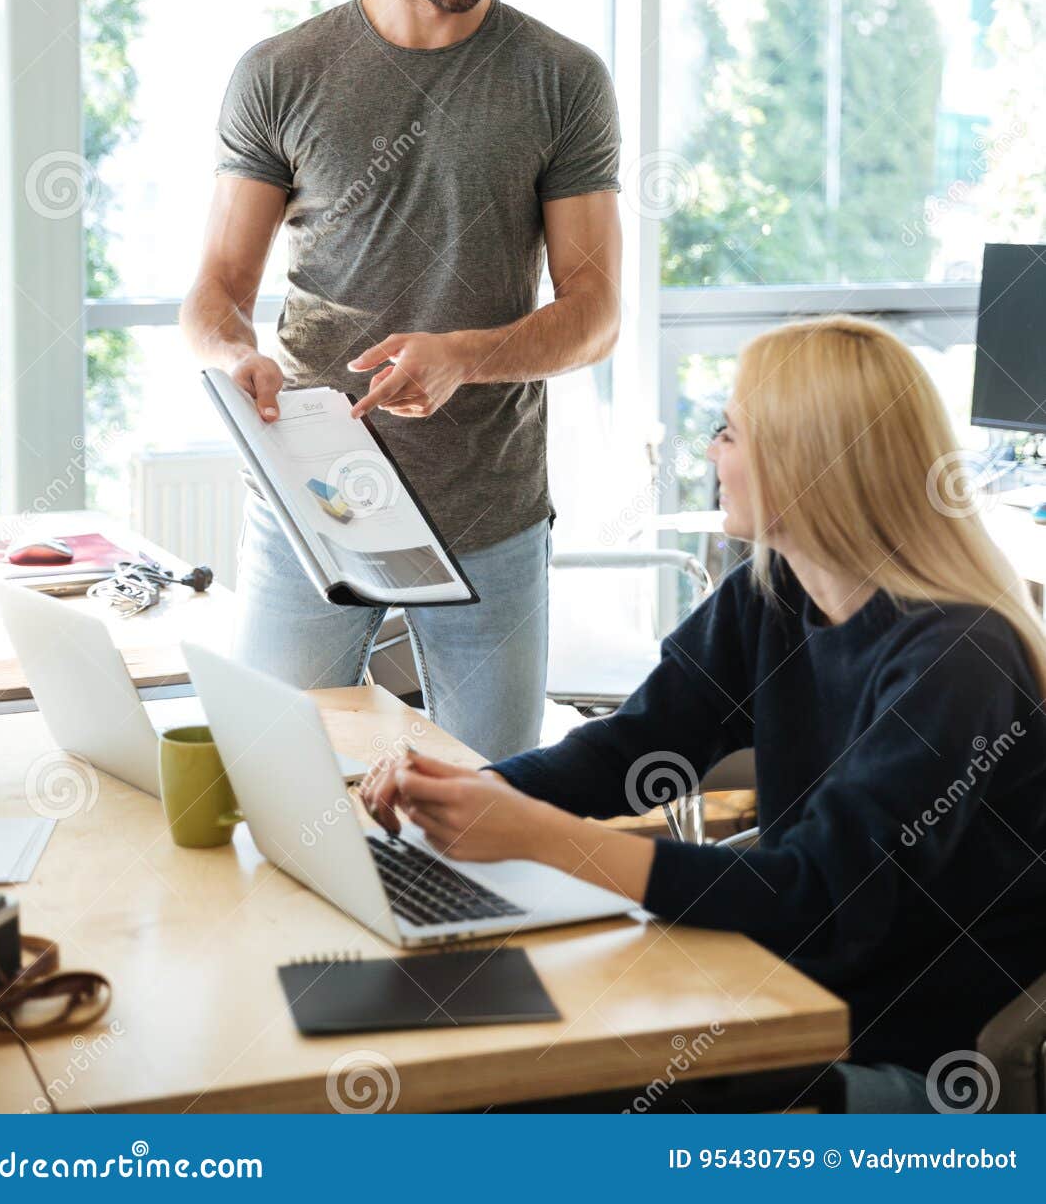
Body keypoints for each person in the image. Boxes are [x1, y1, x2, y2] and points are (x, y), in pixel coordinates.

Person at [361, 316, 1046, 1114]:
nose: (711, 454)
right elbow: (633, 749)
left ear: (812, 458)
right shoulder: (773, 593)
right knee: (469, 1062)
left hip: (898, 1055)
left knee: (511, 1097)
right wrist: (461, 790)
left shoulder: (957, 659)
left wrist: (539, 837)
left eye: (729, 431)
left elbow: (816, 901)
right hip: (779, 989)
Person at [181, 0, 621, 761]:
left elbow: (594, 312)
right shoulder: (281, 74)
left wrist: (467, 353)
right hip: (313, 504)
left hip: (490, 512)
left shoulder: (563, 82)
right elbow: (213, 293)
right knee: (278, 779)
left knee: (491, 815)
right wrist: (229, 355)